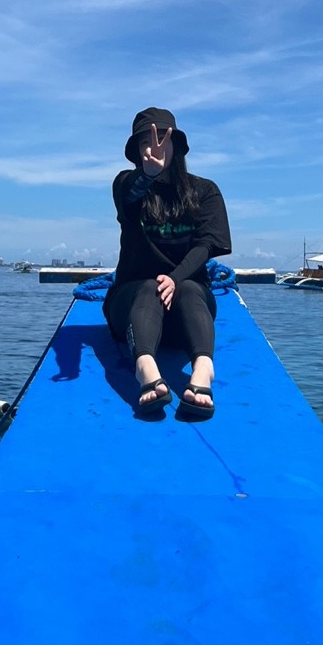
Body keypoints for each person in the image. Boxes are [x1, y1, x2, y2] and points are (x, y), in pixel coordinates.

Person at [103, 107, 231, 420]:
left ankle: (203, 370)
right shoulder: (125, 184)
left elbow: (206, 245)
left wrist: (175, 278)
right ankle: (146, 370)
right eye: (145, 141)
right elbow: (130, 197)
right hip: (132, 307)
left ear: (176, 145)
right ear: (136, 151)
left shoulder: (205, 191)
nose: (154, 146)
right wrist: (147, 175)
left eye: (162, 138)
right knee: (149, 287)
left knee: (189, 288)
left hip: (186, 311)